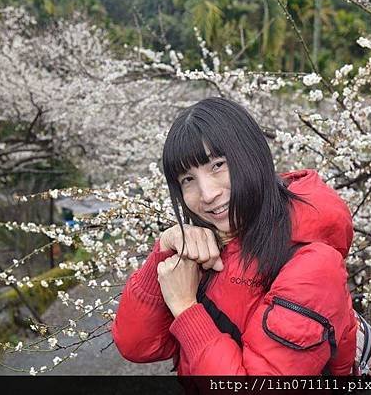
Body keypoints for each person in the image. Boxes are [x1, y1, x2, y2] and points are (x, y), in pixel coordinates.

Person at [112, 97, 357, 375]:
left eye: (217, 165)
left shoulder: (313, 267)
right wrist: (165, 250)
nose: (207, 194)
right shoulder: (212, 244)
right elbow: (136, 345)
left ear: (252, 155)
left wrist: (186, 308)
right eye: (187, 180)